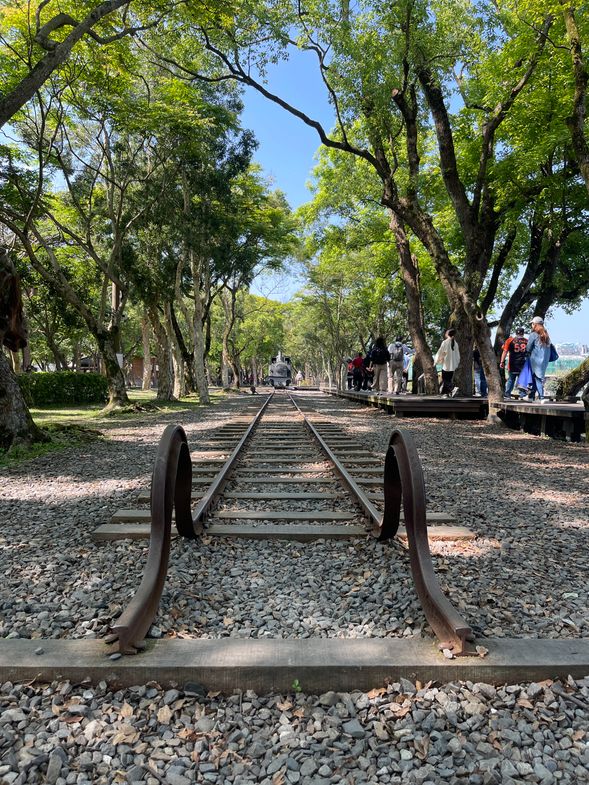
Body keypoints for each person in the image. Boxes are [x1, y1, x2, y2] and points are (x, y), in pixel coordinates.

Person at [525, 316, 552, 403]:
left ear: (535, 324)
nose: (531, 325)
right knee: (534, 378)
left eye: (532, 324)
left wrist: (526, 354)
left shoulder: (533, 335)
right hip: (544, 361)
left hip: (535, 361)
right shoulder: (546, 335)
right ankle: (531, 397)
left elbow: (528, 347)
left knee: (538, 379)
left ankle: (541, 397)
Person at [500, 327, 528, 399]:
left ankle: (507, 394)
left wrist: (502, 361)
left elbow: (504, 350)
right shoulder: (527, 341)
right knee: (522, 380)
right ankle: (522, 395)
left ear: (516, 333)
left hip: (512, 363)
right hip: (523, 363)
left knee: (511, 379)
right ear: (523, 333)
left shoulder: (510, 340)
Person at [434, 328, 460, 397]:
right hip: (453, 365)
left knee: (445, 379)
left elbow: (441, 352)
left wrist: (436, 360)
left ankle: (453, 388)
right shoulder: (455, 343)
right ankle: (446, 394)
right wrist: (456, 363)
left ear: (447, 334)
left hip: (446, 364)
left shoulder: (445, 342)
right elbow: (457, 355)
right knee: (448, 379)